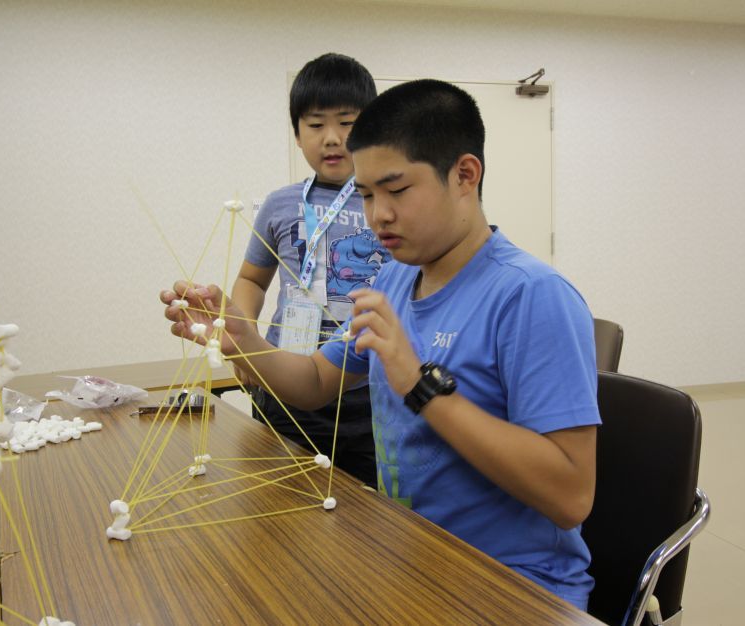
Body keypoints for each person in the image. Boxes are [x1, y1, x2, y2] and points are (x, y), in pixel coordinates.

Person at [162, 79, 600, 610]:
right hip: (408, 557)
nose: (377, 216)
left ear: (465, 175)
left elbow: (570, 496)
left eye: (396, 191)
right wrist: (244, 340)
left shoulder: (532, 297)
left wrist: (420, 386)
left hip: (510, 586)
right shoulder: (394, 280)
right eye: (367, 195)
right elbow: (317, 383)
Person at [230, 52, 388, 488]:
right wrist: (244, 331)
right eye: (316, 125)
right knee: (282, 507)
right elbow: (251, 279)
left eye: (348, 123)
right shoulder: (281, 204)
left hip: (368, 392)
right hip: (285, 383)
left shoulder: (389, 204)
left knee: (367, 516)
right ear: (298, 135)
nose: (332, 138)